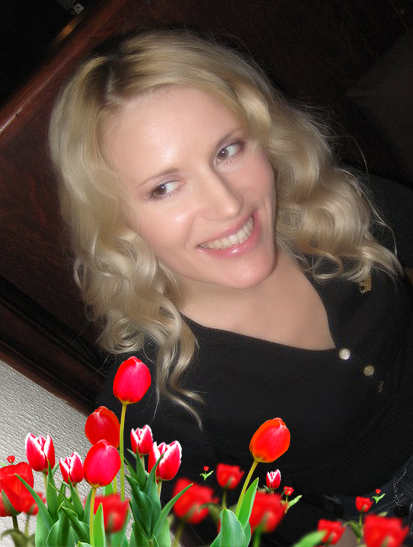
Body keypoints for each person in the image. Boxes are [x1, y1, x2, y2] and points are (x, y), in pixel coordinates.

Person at [49, 28, 413, 546]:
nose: (227, 204)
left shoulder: (337, 208)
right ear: (116, 221)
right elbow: (220, 518)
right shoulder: (154, 399)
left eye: (228, 150)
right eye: (164, 187)